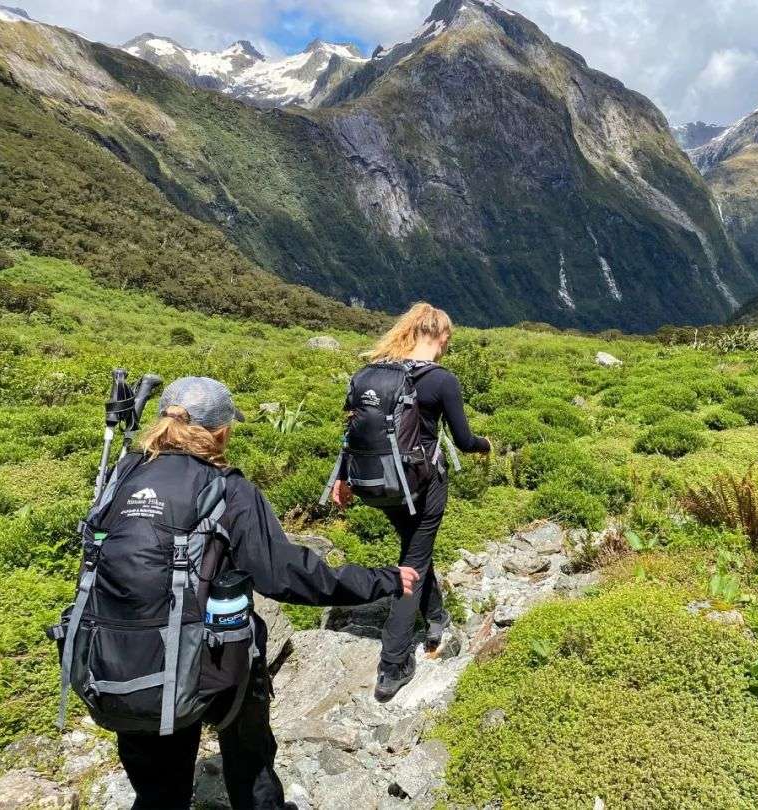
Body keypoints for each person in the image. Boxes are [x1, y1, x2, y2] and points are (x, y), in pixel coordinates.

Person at [109, 377, 419, 809]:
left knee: (158, 790)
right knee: (250, 761)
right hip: (212, 663)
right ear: (220, 431)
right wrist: (381, 580)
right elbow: (286, 575)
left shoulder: (120, 476)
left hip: (121, 660)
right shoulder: (229, 490)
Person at [333, 303, 490, 702]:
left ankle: (436, 619)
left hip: (378, 484)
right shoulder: (441, 380)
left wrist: (340, 478)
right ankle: (394, 663)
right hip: (423, 485)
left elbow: (352, 434)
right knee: (414, 564)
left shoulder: (372, 374)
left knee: (415, 549)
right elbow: (465, 439)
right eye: (446, 341)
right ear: (440, 336)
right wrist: (485, 445)